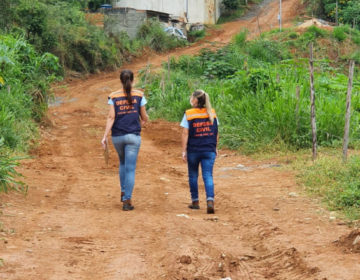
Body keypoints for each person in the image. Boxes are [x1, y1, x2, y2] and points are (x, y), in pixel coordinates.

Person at [101, 69, 148, 211]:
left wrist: (104, 136)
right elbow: (144, 117)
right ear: (133, 80)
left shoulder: (113, 96)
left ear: (120, 81)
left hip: (117, 136)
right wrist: (144, 120)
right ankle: (127, 200)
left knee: (122, 163)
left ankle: (123, 192)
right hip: (133, 137)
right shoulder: (139, 95)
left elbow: (111, 117)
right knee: (130, 169)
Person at [180, 89, 219, 214]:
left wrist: (183, 150)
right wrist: (215, 147)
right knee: (208, 175)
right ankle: (210, 201)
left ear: (195, 100)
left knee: (193, 175)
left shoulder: (189, 114)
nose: (190, 100)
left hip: (194, 150)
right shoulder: (212, 113)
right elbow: (216, 132)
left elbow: (185, 132)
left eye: (191, 97)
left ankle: (195, 201)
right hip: (209, 149)